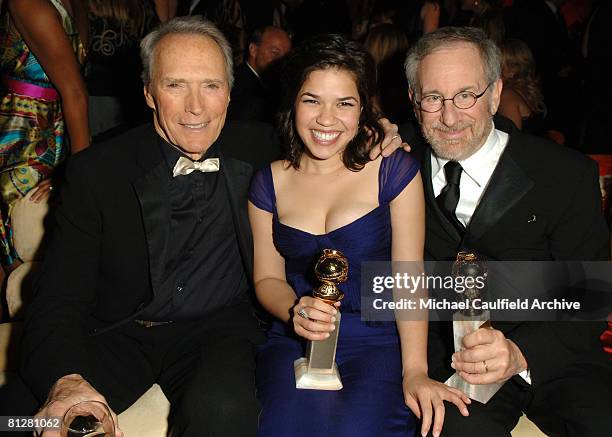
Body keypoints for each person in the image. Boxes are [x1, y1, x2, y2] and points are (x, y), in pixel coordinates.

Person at [19, 16, 409, 437]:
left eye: (210, 85)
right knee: (15, 421)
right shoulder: (97, 173)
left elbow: (326, 128)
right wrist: (66, 380)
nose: (196, 107)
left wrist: (377, 130)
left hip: (216, 333)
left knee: (225, 413)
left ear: (230, 90)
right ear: (149, 92)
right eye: (175, 85)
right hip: (117, 333)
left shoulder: (262, 149)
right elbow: (57, 296)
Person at [249, 34, 470, 437]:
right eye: (312, 99)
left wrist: (416, 371)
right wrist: (295, 310)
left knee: (357, 428)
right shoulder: (268, 181)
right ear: (292, 102)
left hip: (378, 340)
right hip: (295, 339)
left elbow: (409, 279)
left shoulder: (392, 170)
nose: (326, 119)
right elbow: (266, 278)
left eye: (344, 103)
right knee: (287, 426)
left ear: (364, 108)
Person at [402, 26, 612, 436]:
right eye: (433, 98)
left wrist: (520, 352)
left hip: (555, 356)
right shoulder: (395, 163)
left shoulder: (565, 174)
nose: (449, 116)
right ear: (413, 101)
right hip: (450, 361)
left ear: (496, 94)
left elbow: (591, 293)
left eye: (466, 95)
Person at [0, 0, 88, 274]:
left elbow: (76, 93)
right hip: (48, 134)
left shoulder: (28, 3)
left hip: (21, 141)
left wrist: (81, 179)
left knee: (17, 260)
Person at [228, 25, 291, 122]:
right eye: (274, 52)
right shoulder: (240, 90)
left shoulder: (272, 84)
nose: (282, 60)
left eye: (286, 56)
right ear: (253, 50)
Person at [497, 38, 546, 133]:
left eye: (499, 64)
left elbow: (513, 140)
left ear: (513, 70)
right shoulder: (524, 90)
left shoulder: (507, 96)